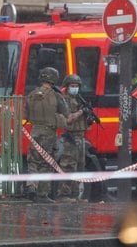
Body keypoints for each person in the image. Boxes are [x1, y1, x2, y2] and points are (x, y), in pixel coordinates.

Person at [24, 67, 84, 203]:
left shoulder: (32, 94)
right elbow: (69, 117)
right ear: (54, 79)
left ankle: (31, 185)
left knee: (33, 161)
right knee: (46, 163)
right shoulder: (57, 96)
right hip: (48, 133)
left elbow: (26, 115)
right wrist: (81, 112)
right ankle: (42, 194)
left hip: (34, 131)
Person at [56, 74, 91, 203]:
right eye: (72, 86)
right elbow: (69, 119)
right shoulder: (65, 100)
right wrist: (82, 111)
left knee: (80, 166)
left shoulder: (79, 100)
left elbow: (84, 121)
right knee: (68, 166)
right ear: (67, 86)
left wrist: (88, 115)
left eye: (76, 86)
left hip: (81, 136)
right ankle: (63, 194)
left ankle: (76, 195)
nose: (75, 88)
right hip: (71, 137)